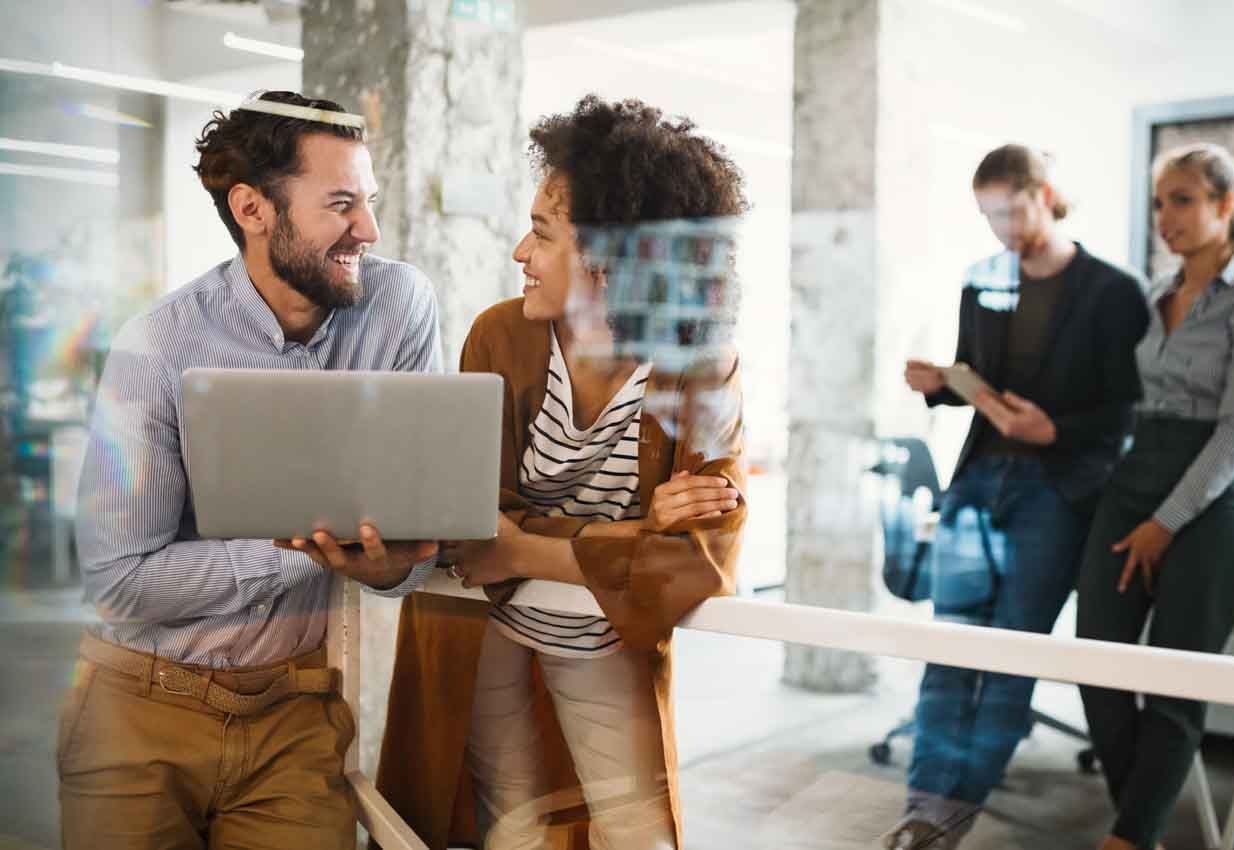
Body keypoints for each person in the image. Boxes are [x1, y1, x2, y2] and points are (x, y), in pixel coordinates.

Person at [64, 90, 442, 849]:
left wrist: (388, 564)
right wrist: (295, 545)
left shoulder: (400, 307)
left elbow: (409, 540)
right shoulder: (158, 346)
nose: (367, 229)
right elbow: (118, 579)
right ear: (252, 209)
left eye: (367, 202)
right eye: (340, 204)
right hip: (141, 710)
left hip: (295, 716)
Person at [375, 95, 748, 850]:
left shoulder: (701, 367)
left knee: (637, 834)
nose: (520, 251)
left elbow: (701, 559)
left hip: (604, 641)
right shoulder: (498, 336)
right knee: (507, 826)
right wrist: (638, 532)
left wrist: (524, 547)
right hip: (485, 631)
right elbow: (469, 523)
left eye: (542, 234)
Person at [886, 144, 1150, 849]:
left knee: (1011, 658)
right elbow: (984, 380)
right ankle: (924, 808)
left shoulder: (1114, 292)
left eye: (1009, 210)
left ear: (1046, 192)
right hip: (980, 479)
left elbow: (1129, 413)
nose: (1001, 228)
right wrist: (944, 384)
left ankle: (951, 815)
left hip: (1057, 491)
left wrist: (1054, 428)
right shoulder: (982, 280)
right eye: (987, 216)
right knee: (949, 648)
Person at [1076, 142, 1234, 850]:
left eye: (1183, 201)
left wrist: (1165, 524)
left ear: (1226, 206)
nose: (1165, 218)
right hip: (1140, 478)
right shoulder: (1151, 297)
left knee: (1175, 679)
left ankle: (1130, 839)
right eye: (1160, 202)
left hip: (1221, 500)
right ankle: (1140, 826)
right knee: (1095, 661)